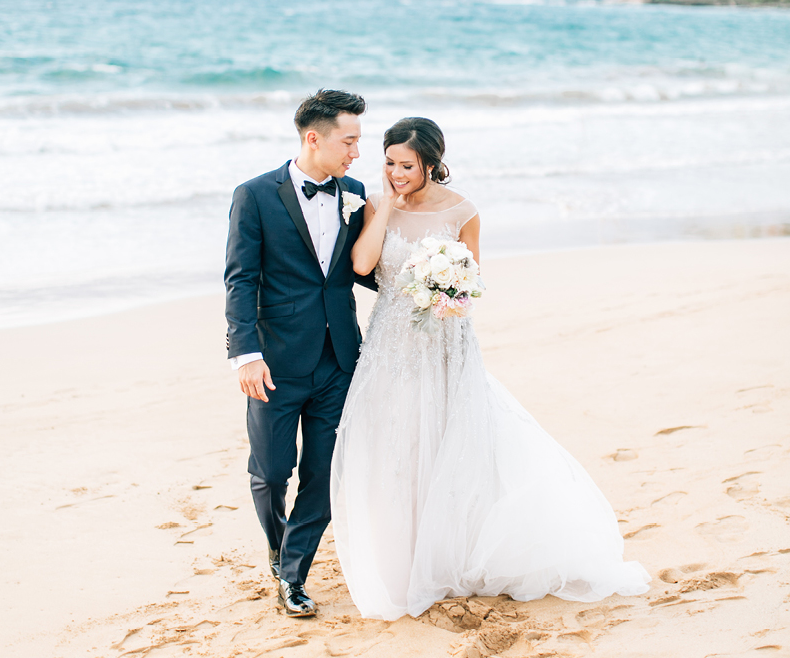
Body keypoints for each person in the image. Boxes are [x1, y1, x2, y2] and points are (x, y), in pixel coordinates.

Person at [331, 116, 650, 620]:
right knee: (395, 445)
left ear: (431, 164)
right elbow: (363, 266)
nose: (395, 172)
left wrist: (445, 293)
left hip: (444, 343)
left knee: (445, 443)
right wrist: (387, 206)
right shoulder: (380, 204)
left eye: (406, 165)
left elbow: (470, 283)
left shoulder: (463, 211)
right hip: (389, 345)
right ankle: (403, 556)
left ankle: (448, 554)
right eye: (389, 163)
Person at [224, 89, 375, 617]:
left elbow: (366, 268)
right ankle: (277, 541)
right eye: (349, 141)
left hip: (339, 358)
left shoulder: (355, 193)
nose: (357, 153)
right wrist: (245, 354)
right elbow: (240, 279)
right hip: (276, 362)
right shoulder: (255, 195)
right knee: (270, 472)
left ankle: (293, 573)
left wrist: (432, 281)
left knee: (325, 472)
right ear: (314, 138)